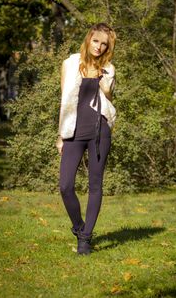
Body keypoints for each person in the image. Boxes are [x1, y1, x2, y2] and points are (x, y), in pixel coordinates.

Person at [56, 23, 117, 255]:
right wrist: (60, 135)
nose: (99, 47)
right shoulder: (70, 64)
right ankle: (79, 227)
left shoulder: (109, 68)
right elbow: (64, 101)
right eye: (96, 41)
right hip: (73, 131)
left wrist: (105, 83)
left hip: (100, 132)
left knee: (95, 184)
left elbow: (109, 98)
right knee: (65, 185)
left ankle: (86, 238)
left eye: (104, 44)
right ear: (88, 39)